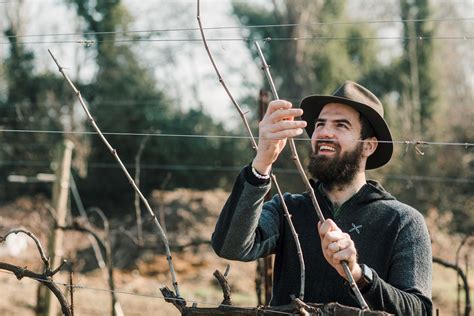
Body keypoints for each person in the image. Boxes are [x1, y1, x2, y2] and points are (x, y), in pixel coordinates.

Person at [211, 81, 432, 315]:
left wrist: (358, 274)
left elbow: (418, 310)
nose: (325, 132)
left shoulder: (402, 221)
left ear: (368, 145)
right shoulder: (288, 209)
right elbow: (230, 246)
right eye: (320, 124)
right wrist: (262, 163)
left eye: (341, 125)